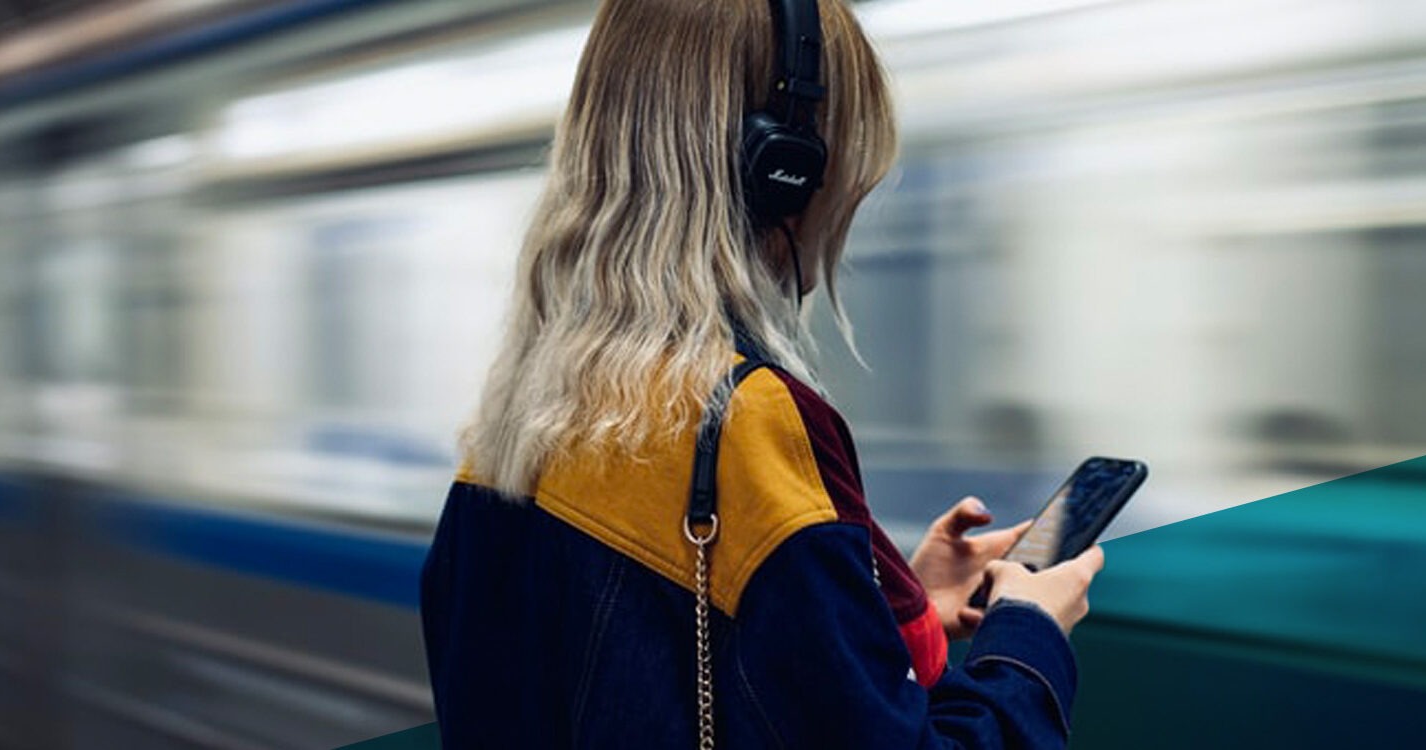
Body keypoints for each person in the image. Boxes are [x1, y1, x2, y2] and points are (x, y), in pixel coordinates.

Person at [418, 0, 1106, 747]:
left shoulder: (514, 425)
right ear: (782, 169)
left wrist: (890, 599)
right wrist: (1027, 636)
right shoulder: (743, 422)